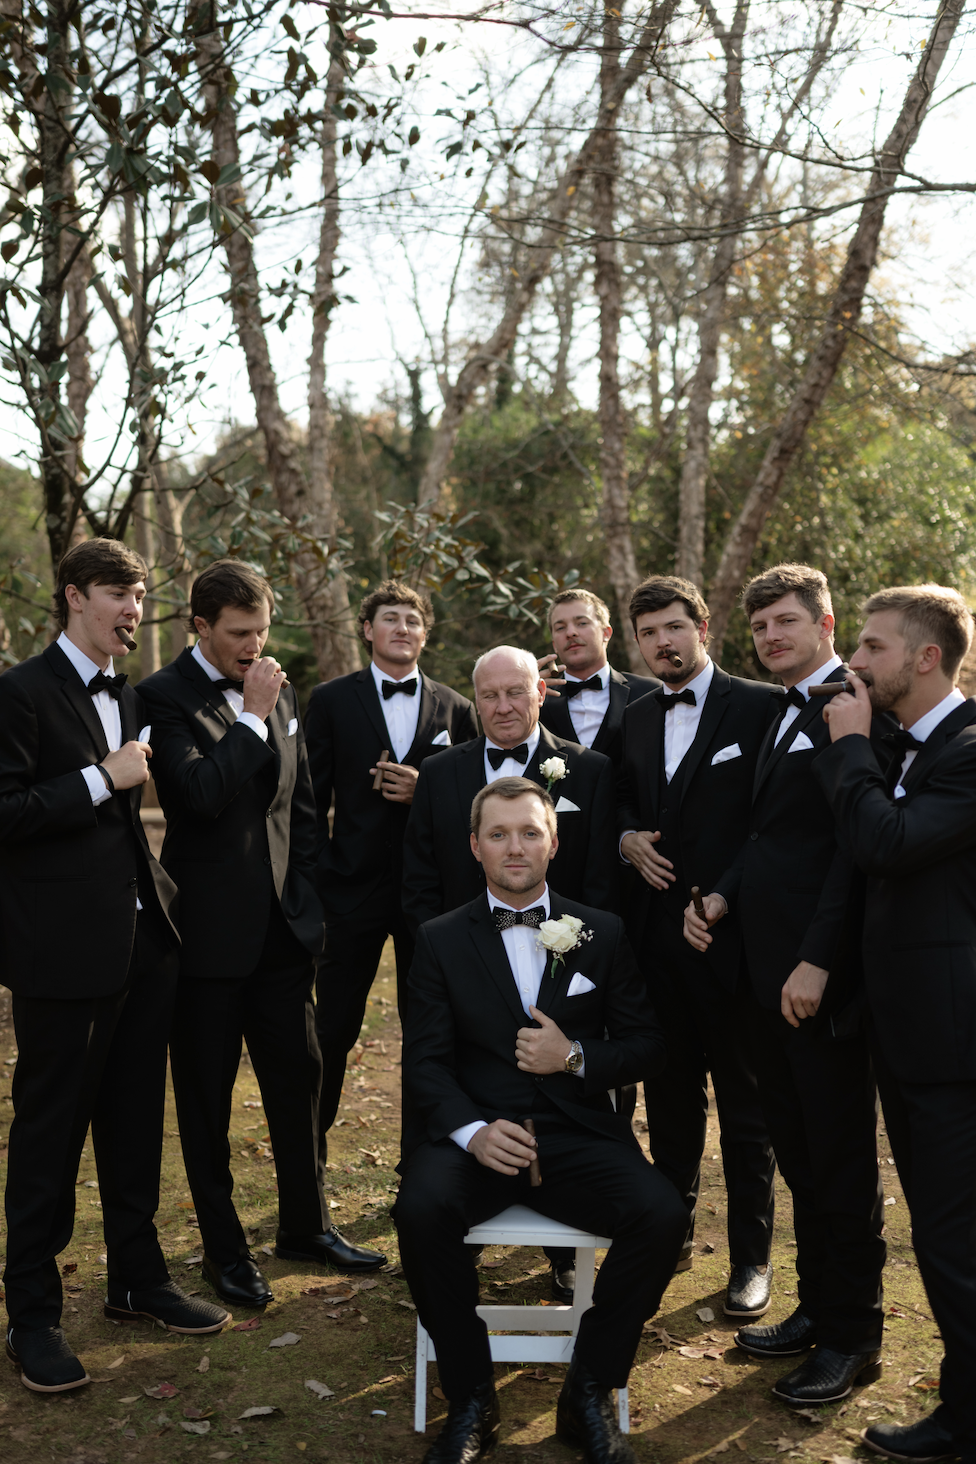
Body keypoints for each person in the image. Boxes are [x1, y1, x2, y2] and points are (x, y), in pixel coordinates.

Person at [395, 778, 687, 1464]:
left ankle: (588, 1389)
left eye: (530, 832)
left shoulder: (601, 931)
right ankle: (472, 1398)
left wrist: (575, 1055)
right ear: (475, 847)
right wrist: (473, 1132)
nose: (515, 847)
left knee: (663, 1214)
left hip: (573, 1133)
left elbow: (648, 1047)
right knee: (420, 1207)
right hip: (474, 1135)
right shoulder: (438, 939)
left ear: (554, 842)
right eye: (498, 834)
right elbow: (426, 1064)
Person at [0, 539, 229, 1393]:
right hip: (60, 958)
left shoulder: (128, 694)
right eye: (119, 596)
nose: (135, 611)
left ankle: (137, 1279)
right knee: (49, 1136)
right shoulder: (20, 693)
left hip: (143, 945)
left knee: (135, 1123)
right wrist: (101, 778)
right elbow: (7, 812)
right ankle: (31, 1317)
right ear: (73, 598)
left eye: (139, 597)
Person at [138, 560, 383, 1312]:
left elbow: (300, 809)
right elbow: (203, 796)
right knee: (207, 1102)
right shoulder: (160, 697)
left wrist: (306, 902)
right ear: (200, 626)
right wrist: (248, 714)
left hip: (284, 934)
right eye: (239, 634)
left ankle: (306, 1228)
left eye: (263, 633)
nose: (254, 647)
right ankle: (224, 1253)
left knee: (301, 1082)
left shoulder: (279, 690)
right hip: (206, 939)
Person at [685, 563, 886, 1406]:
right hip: (760, 975)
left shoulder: (853, 709)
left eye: (786, 623)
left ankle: (855, 1338)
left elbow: (852, 851)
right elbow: (769, 836)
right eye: (760, 625)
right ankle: (817, 1307)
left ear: (826, 622)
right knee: (799, 1153)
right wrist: (724, 890)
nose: (771, 637)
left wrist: (819, 961)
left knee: (838, 1160)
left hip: (820, 979)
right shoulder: (779, 711)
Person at [815, 585, 976, 1464]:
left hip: (956, 1048)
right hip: (910, 1038)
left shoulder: (969, 750)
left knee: (955, 1244)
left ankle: (965, 1424)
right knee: (947, 1236)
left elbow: (884, 843)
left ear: (925, 658)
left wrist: (849, 748)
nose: (856, 662)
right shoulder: (904, 744)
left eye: (872, 647)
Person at [616, 575, 778, 1316]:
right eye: (649, 633)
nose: (663, 643)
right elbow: (622, 798)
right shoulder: (638, 713)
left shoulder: (760, 705)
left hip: (735, 945)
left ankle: (751, 1260)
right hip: (656, 949)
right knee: (670, 1102)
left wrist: (724, 897)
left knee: (747, 1112)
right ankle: (670, 1235)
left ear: (704, 627)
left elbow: (771, 823)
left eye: (674, 628)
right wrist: (623, 838)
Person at [304, 580, 477, 1178]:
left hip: (432, 899)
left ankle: (423, 1166)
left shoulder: (458, 708)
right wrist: (317, 877)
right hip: (349, 893)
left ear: (425, 633)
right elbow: (307, 800)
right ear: (368, 630)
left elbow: (479, 804)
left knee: (429, 1036)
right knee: (330, 1029)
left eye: (412, 619)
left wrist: (425, 789)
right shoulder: (329, 701)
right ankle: (307, 1163)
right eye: (390, 619)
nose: (402, 628)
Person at [403, 645, 618, 934]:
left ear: (540, 692)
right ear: (477, 702)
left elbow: (601, 881)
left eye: (515, 692)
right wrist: (440, 952)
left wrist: (583, 949)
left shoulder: (590, 770)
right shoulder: (437, 771)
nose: (503, 708)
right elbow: (419, 877)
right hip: (460, 953)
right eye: (490, 696)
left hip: (561, 951)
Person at [538, 588, 658, 764]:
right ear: (555, 644)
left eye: (582, 623)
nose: (570, 632)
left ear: (606, 633)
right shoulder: (537, 702)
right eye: (560, 627)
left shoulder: (651, 693)